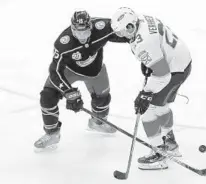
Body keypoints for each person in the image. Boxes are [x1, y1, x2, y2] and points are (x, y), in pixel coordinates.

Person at [34, 9, 128, 150]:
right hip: (68, 72)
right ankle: (52, 134)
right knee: (47, 96)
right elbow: (55, 71)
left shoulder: (102, 27)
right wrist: (69, 92)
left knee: (103, 99)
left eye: (85, 31)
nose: (82, 36)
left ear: (91, 27)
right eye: (78, 32)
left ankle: (98, 123)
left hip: (95, 71)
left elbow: (125, 31)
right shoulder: (63, 44)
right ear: (72, 29)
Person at [111, 7, 192, 170]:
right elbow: (158, 43)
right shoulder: (142, 19)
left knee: (147, 109)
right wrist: (150, 62)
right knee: (161, 106)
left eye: (123, 32)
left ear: (131, 25)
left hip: (173, 71)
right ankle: (170, 145)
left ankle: (159, 154)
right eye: (118, 33)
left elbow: (162, 75)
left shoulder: (143, 43)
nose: (123, 36)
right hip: (182, 62)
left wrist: (145, 93)